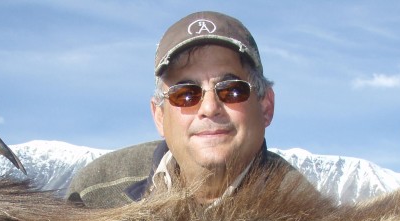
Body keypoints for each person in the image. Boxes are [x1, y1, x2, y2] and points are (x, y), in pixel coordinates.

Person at [67, 10, 296, 208]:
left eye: (232, 91)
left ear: (266, 106)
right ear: (159, 116)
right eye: (185, 95)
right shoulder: (92, 197)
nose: (209, 107)